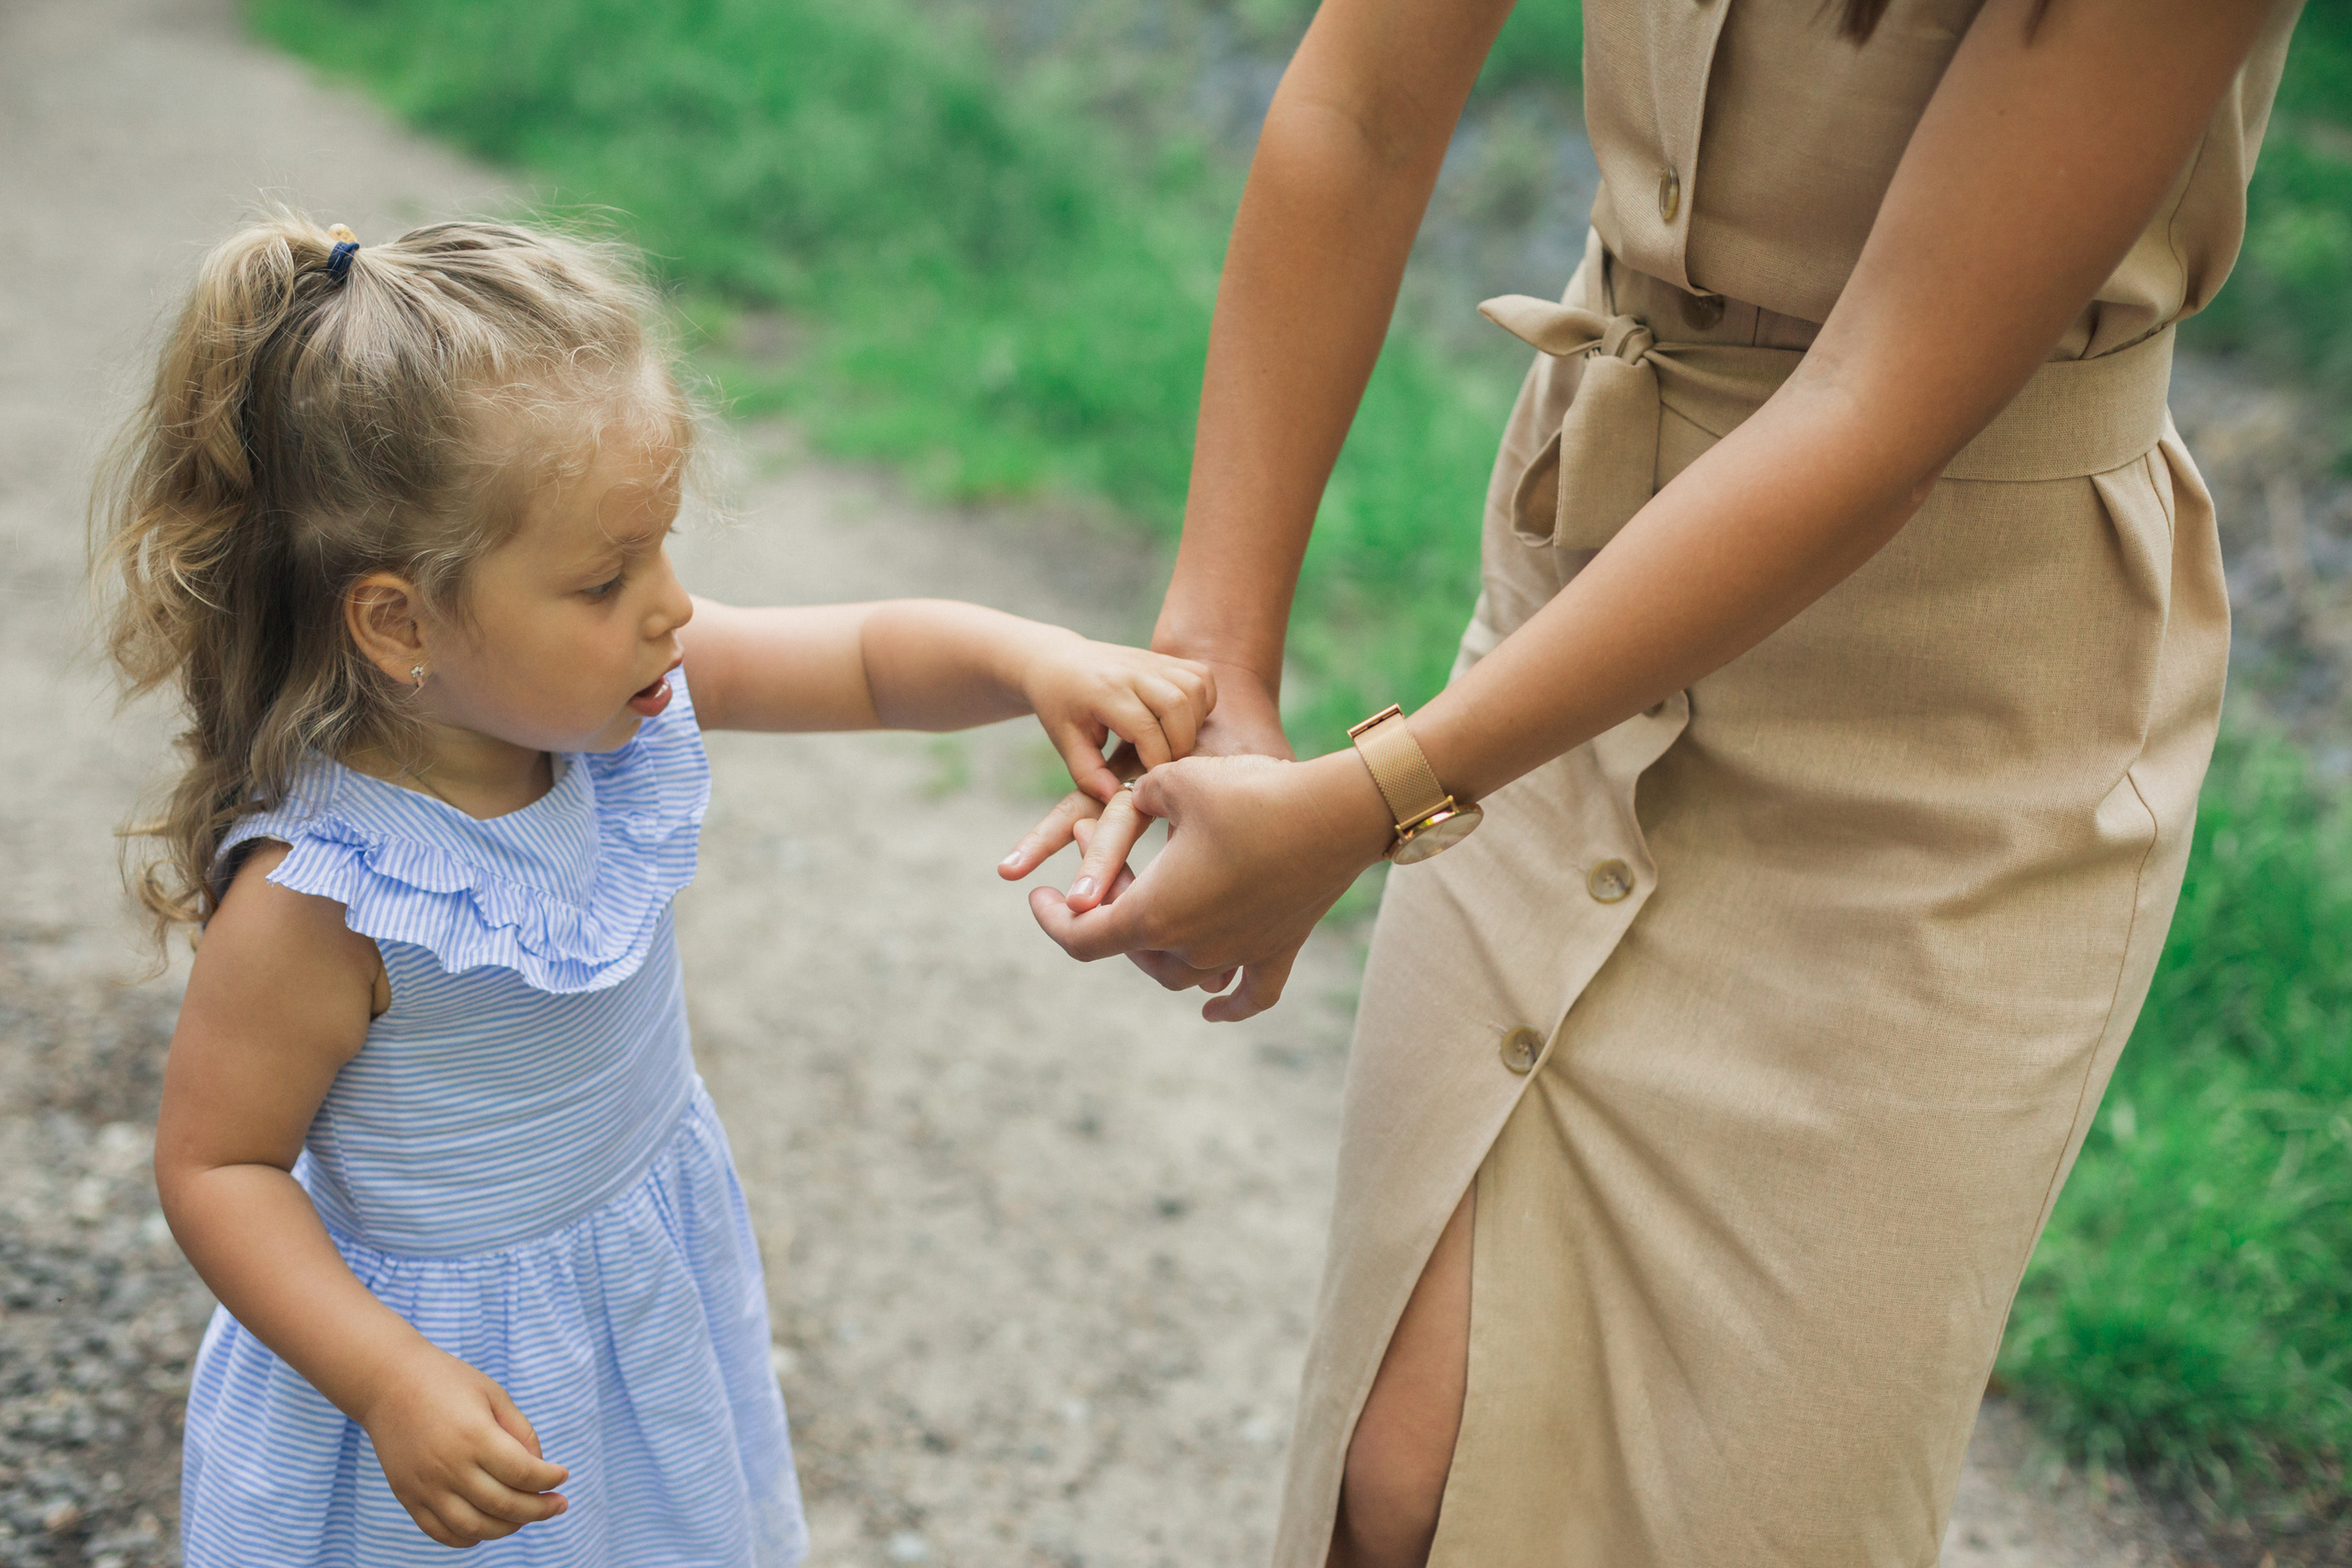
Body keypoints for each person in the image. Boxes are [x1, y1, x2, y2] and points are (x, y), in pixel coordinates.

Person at [996, 0, 2307, 1563]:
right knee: (1401, 1482)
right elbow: (1366, 106)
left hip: (1944, 720)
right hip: (1577, 578)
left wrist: (1373, 801)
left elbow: (1877, 401)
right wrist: (1218, 665)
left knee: (1721, 1516)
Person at [95, 215, 1216, 1565]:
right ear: (400, 624)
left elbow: (862, 661)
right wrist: (386, 1378)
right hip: (450, 1395)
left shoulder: (611, 702)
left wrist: (1034, 661)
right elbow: (220, 1167)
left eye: (665, 549)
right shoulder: (327, 894)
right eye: (607, 576)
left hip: (634, 1305)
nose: (672, 608)